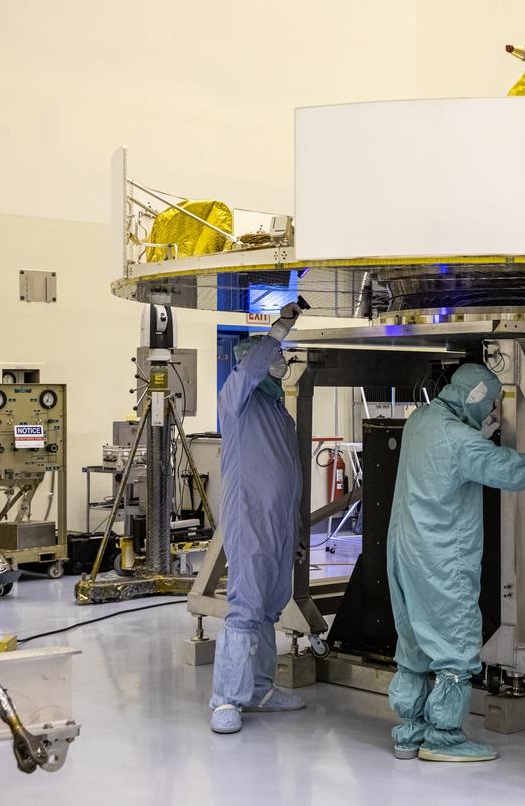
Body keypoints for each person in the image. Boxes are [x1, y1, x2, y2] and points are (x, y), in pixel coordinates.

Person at [387, 363, 525, 763]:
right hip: (442, 556)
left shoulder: (419, 420)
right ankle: (443, 737)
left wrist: (477, 436)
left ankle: (410, 730)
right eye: (491, 403)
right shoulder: (461, 441)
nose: (493, 411)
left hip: (405, 549)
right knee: (454, 641)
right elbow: (509, 471)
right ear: (476, 397)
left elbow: (450, 451)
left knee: (415, 640)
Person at [210, 301, 307, 735]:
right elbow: (252, 368)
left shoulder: (278, 412)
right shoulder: (236, 400)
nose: (281, 364)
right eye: (275, 358)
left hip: (280, 522)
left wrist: (297, 529)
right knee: (246, 606)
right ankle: (227, 698)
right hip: (249, 517)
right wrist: (280, 328)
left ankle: (262, 689)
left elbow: (290, 475)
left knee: (270, 606)